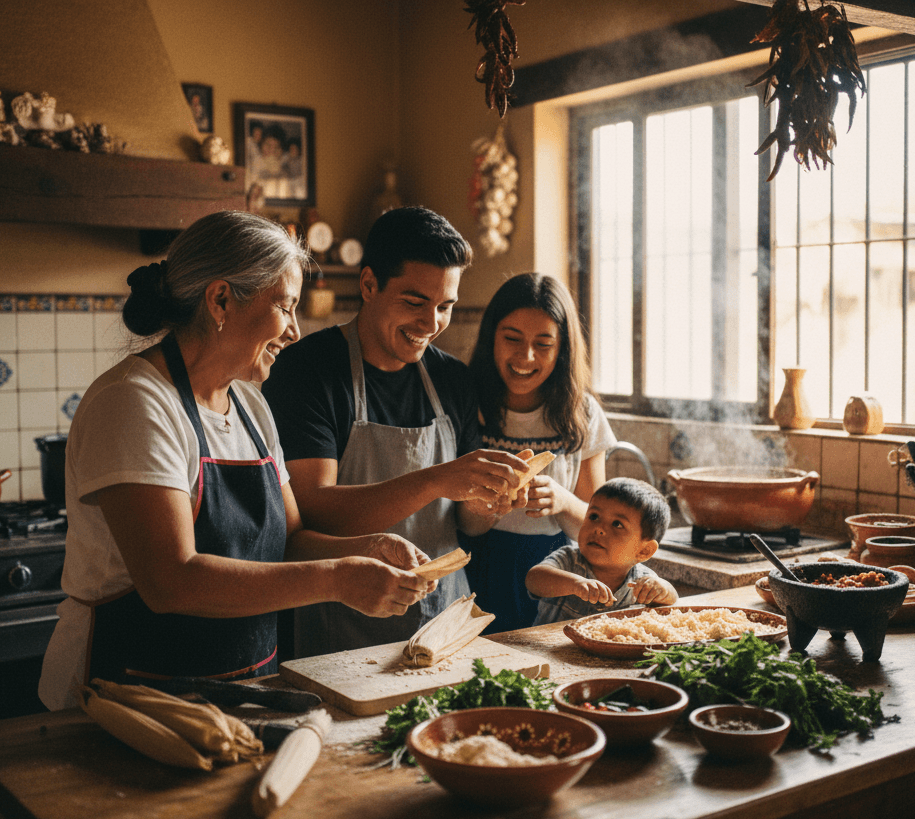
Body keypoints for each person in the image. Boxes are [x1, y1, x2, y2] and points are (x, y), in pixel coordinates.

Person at [38, 211, 435, 710]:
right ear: (221, 300)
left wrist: (371, 549)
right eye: (285, 307)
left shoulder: (249, 406)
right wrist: (338, 578)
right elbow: (170, 582)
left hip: (244, 693)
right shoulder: (134, 402)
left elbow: (290, 540)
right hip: (128, 699)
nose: (294, 331)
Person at [264, 205, 531, 658]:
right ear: (369, 285)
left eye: (445, 307)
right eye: (414, 302)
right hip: (340, 630)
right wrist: (436, 480)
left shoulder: (453, 379)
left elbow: (466, 522)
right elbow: (313, 512)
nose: (431, 324)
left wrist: (490, 503)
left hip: (443, 624)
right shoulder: (307, 371)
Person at [459, 272, 616, 633]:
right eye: (512, 338)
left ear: (562, 349)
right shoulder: (468, 403)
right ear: (491, 337)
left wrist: (561, 500)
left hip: (556, 575)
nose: (525, 356)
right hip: (477, 569)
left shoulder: (582, 413)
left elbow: (596, 527)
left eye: (543, 344)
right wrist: (489, 504)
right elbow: (462, 523)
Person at [525, 477, 676, 626]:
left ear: (644, 551)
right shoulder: (569, 559)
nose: (599, 528)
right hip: (549, 642)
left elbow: (671, 600)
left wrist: (664, 590)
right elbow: (533, 580)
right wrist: (575, 584)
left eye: (617, 524)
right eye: (594, 516)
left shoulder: (643, 581)